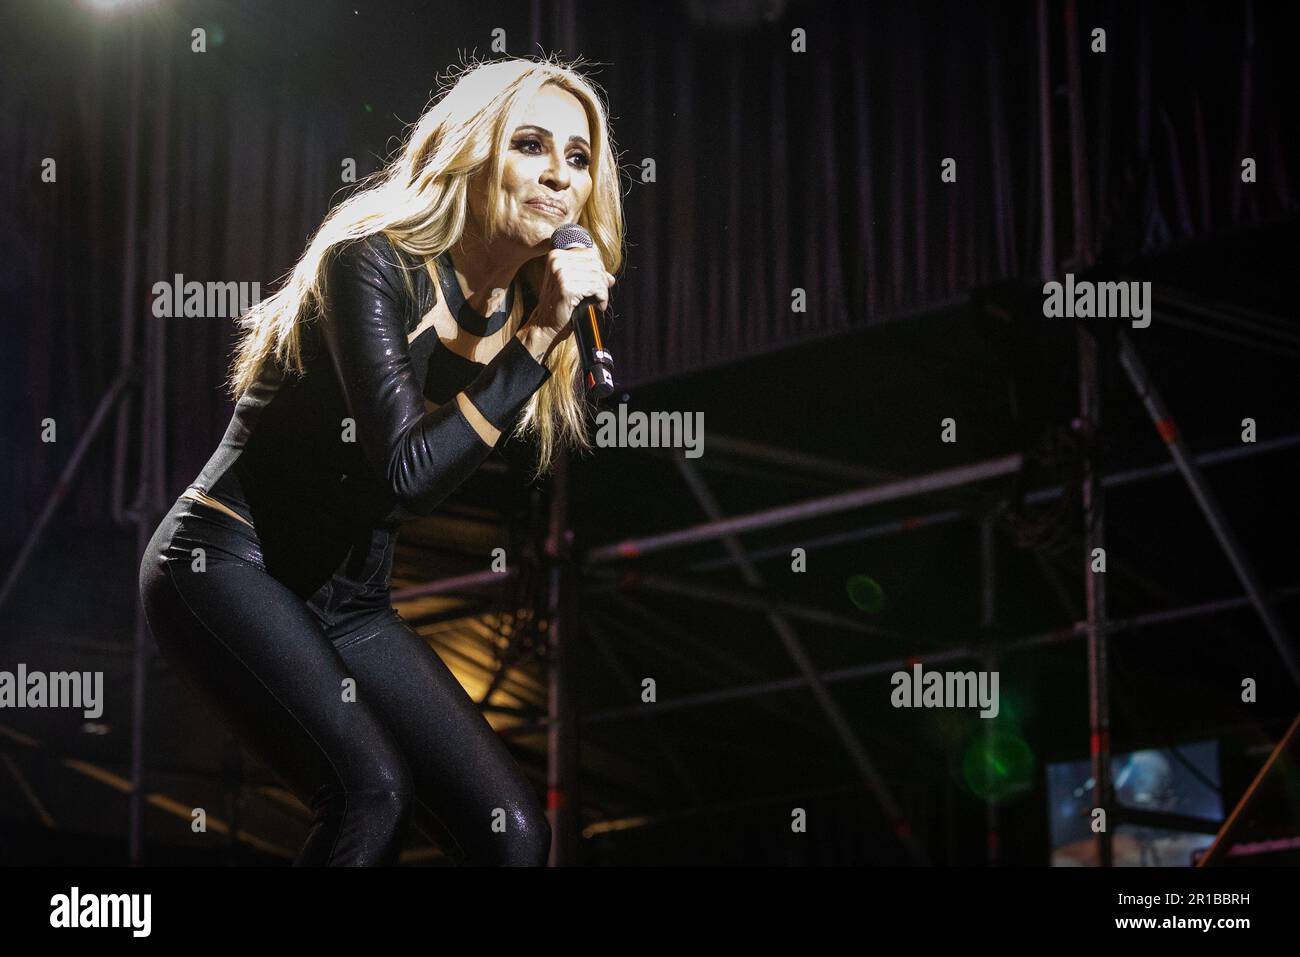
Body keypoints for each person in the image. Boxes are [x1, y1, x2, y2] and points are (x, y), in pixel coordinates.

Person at [138, 56, 623, 866]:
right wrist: (538, 339)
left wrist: (536, 333)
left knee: (514, 833)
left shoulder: (522, 311)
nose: (559, 175)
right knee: (371, 792)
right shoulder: (371, 261)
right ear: (475, 150)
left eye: (578, 159)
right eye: (531, 145)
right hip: (225, 561)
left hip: (350, 603)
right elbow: (404, 472)